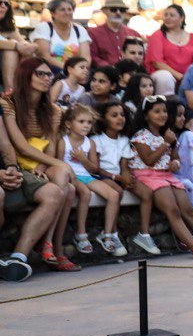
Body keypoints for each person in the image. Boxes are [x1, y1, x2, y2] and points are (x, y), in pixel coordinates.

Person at [128, 96, 193, 259]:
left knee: (189, 211)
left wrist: (175, 162)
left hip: (167, 175)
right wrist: (166, 143)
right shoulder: (141, 135)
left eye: (165, 111)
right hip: (148, 176)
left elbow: (175, 157)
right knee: (173, 211)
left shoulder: (167, 135)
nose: (162, 115)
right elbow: (149, 160)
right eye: (157, 112)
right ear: (146, 115)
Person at [2, 57, 77, 270]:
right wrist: (59, 164)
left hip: (39, 163)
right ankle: (54, 248)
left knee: (64, 181)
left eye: (49, 74)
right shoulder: (9, 103)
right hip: (16, 163)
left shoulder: (53, 110)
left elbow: (50, 145)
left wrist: (42, 168)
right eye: (40, 74)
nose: (47, 78)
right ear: (26, 76)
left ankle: (48, 243)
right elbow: (21, 147)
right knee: (68, 188)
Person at [57, 104, 125, 257]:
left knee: (114, 195)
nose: (86, 125)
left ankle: (107, 235)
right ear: (68, 124)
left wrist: (83, 159)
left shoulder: (90, 143)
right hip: (71, 177)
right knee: (85, 194)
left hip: (87, 176)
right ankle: (81, 234)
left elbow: (94, 168)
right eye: (81, 122)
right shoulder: (63, 141)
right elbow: (58, 163)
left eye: (89, 122)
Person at [0, 121, 64, 281]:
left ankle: (18, 257)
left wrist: (12, 167)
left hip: (7, 170)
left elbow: (5, 142)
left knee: (54, 192)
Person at [92, 100, 155, 255]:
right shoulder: (97, 139)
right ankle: (111, 234)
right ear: (103, 119)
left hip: (118, 176)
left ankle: (144, 234)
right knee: (117, 192)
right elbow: (96, 168)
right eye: (114, 115)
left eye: (122, 115)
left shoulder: (124, 140)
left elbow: (124, 164)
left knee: (146, 193)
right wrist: (119, 178)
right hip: (101, 176)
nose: (120, 118)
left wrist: (127, 178)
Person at [144, 4, 193, 96]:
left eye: (172, 15)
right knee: (165, 77)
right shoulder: (158, 35)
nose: (167, 18)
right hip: (164, 76)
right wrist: (180, 77)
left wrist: (189, 77)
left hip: (188, 76)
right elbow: (157, 63)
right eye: (166, 15)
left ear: (182, 18)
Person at [32, 0, 91, 75]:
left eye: (70, 9)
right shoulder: (44, 28)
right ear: (53, 13)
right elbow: (45, 56)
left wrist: (81, 70)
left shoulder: (80, 30)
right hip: (51, 69)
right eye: (62, 10)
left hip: (76, 71)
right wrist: (69, 70)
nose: (67, 13)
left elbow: (86, 57)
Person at [88, 0, 141, 69]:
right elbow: (94, 57)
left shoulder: (133, 34)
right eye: (113, 9)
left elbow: (141, 57)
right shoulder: (94, 33)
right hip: (105, 73)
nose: (118, 12)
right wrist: (111, 69)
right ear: (105, 11)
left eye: (122, 10)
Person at [0, 0, 36, 91]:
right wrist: (14, 45)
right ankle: (9, 90)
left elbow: (24, 44)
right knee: (11, 50)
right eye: (0, 3)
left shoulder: (8, 29)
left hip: (6, 67)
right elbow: (16, 45)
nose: (3, 6)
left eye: (6, 4)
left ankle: (23, 89)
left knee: (28, 51)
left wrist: (30, 47)